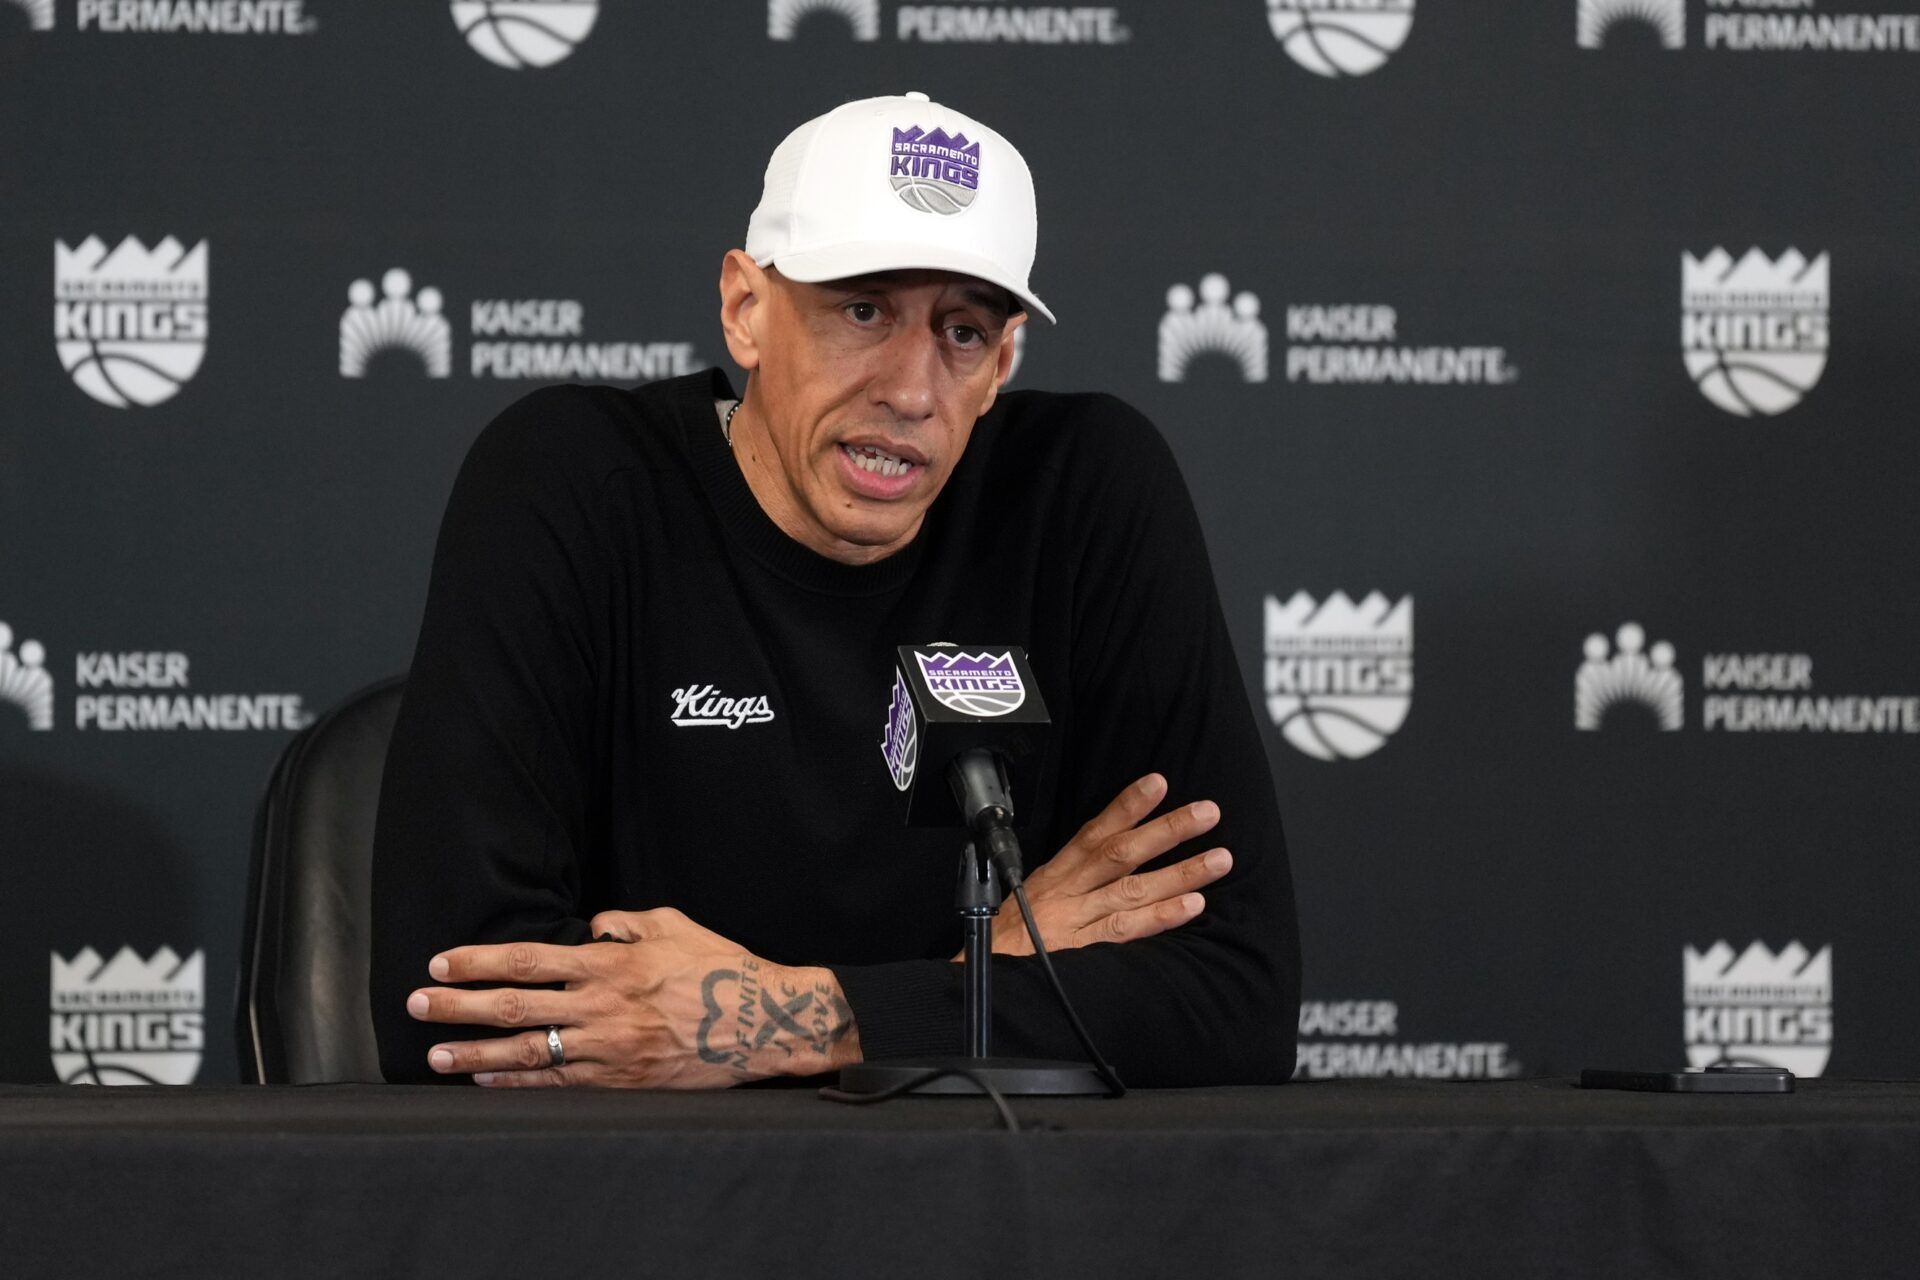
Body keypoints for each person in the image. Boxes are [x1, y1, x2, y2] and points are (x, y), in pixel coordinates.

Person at [369, 92, 1300, 1088]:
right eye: (864, 310)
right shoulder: (571, 483)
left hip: (987, 1211)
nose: (912, 388)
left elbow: (1238, 1005)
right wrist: (991, 982)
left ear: (1003, 365)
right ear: (746, 308)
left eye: (963, 331)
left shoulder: (1084, 491)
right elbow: (456, 1027)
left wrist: (778, 1020)